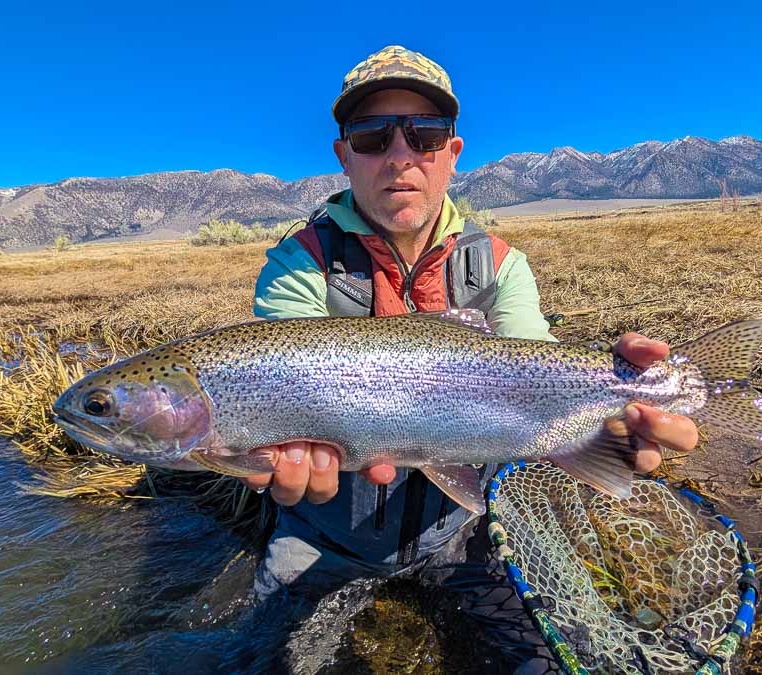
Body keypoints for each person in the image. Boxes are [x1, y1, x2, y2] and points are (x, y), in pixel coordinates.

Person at [246, 45, 699, 673]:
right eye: (373, 136)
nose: (400, 155)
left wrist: (613, 423)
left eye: (424, 136)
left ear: (451, 155)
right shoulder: (300, 263)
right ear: (344, 155)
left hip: (463, 533)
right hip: (323, 536)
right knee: (263, 660)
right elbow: (281, 379)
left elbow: (539, 372)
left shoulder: (500, 265)